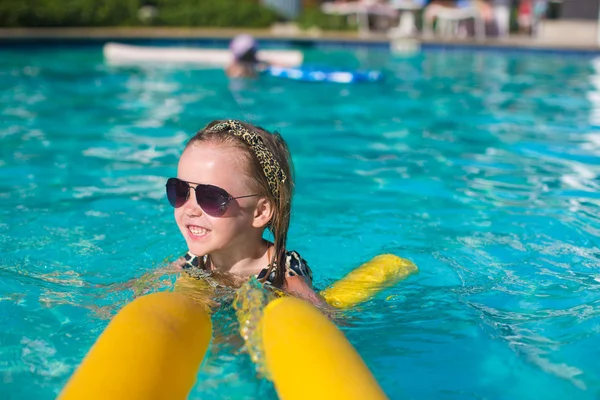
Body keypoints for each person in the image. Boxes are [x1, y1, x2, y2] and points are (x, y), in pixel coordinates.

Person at [165, 119, 327, 307]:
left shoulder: (284, 275)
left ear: (260, 212)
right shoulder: (193, 260)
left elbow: (326, 319)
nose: (190, 209)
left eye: (211, 197)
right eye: (179, 190)